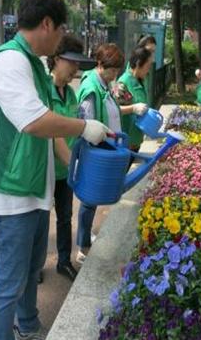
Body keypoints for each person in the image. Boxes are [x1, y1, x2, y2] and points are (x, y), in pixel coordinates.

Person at [0, 0, 111, 340]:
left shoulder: (31, 65)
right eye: (61, 29)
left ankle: (28, 326)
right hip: (8, 193)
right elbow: (35, 122)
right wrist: (84, 127)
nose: (61, 38)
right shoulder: (10, 61)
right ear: (47, 23)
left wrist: (76, 172)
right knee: (8, 285)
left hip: (30, 189)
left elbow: (50, 133)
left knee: (30, 271)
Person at [75, 43, 147, 264]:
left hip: (108, 148)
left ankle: (86, 237)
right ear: (100, 64)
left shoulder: (104, 85)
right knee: (89, 199)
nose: (115, 75)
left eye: (117, 70)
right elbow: (86, 124)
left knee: (93, 199)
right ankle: (82, 248)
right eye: (112, 70)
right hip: (97, 153)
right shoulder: (91, 89)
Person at [44, 34, 96, 282]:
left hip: (66, 170)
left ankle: (63, 261)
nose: (76, 68)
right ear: (56, 59)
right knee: (39, 219)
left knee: (65, 217)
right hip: (46, 169)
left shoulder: (71, 94)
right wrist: (75, 168)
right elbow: (54, 135)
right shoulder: (43, 89)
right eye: (72, 62)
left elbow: (76, 130)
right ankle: (35, 266)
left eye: (78, 63)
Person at [114, 47, 152, 152]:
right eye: (147, 66)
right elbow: (114, 110)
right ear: (139, 64)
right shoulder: (123, 83)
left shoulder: (140, 81)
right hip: (125, 142)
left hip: (136, 140)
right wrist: (133, 108)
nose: (148, 70)